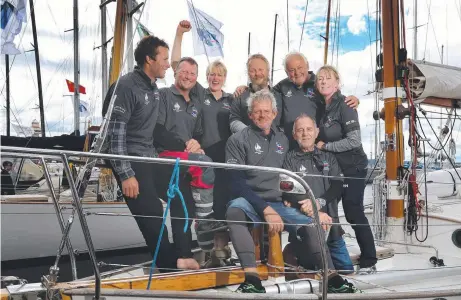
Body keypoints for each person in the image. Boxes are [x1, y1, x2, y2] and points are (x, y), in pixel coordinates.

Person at [225, 90, 361, 293]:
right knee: (233, 211)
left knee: (311, 223)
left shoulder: (283, 139)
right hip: (250, 200)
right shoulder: (237, 140)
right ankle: (252, 280)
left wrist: (312, 206)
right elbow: (236, 182)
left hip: (280, 202)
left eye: (266, 111)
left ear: (274, 113)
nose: (262, 115)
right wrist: (265, 209)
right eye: (257, 112)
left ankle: (331, 278)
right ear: (250, 115)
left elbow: (290, 180)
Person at [102, 35, 198, 271]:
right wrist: (125, 174)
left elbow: (154, 130)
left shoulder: (153, 89)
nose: (168, 64)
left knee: (182, 192)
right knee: (152, 213)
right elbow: (115, 134)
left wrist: (185, 143)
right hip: (131, 159)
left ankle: (184, 254)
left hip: (149, 156)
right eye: (164, 59)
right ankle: (167, 264)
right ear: (149, 59)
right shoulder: (126, 86)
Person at [170, 20, 232, 262]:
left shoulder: (233, 99)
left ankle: (222, 251)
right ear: (206, 77)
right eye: (211, 74)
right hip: (202, 160)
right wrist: (179, 35)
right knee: (202, 209)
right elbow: (177, 66)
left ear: (225, 77)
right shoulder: (199, 94)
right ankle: (206, 252)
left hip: (225, 160)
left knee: (221, 207)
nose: (215, 78)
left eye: (219, 75)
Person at [314, 65, 377, 274]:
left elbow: (354, 140)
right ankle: (332, 256)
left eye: (328, 78)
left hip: (353, 167)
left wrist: (326, 146)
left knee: (353, 212)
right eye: (320, 78)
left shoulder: (345, 105)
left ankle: (369, 260)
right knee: (327, 209)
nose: (323, 81)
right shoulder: (324, 107)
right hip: (335, 170)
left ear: (337, 82)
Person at [282, 114, 354, 275]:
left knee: (349, 273)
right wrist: (311, 209)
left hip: (331, 226)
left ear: (316, 132)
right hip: (307, 230)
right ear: (294, 135)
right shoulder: (289, 159)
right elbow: (288, 190)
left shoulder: (329, 156)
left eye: (309, 129)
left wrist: (318, 203)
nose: (305, 134)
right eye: (300, 130)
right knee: (313, 276)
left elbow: (337, 185)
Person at [273, 52, 359, 149]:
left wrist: (354, 99)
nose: (297, 73)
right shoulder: (281, 86)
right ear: (286, 72)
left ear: (307, 66)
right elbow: (264, 97)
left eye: (300, 67)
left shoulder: (319, 83)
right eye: (292, 70)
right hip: (290, 148)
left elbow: (336, 98)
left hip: (316, 149)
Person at [229, 54, 282, 133]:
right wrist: (251, 135)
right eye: (253, 71)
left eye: (261, 70)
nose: (257, 74)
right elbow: (234, 120)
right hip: (248, 142)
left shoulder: (279, 96)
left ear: (268, 71)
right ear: (248, 73)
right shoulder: (240, 96)